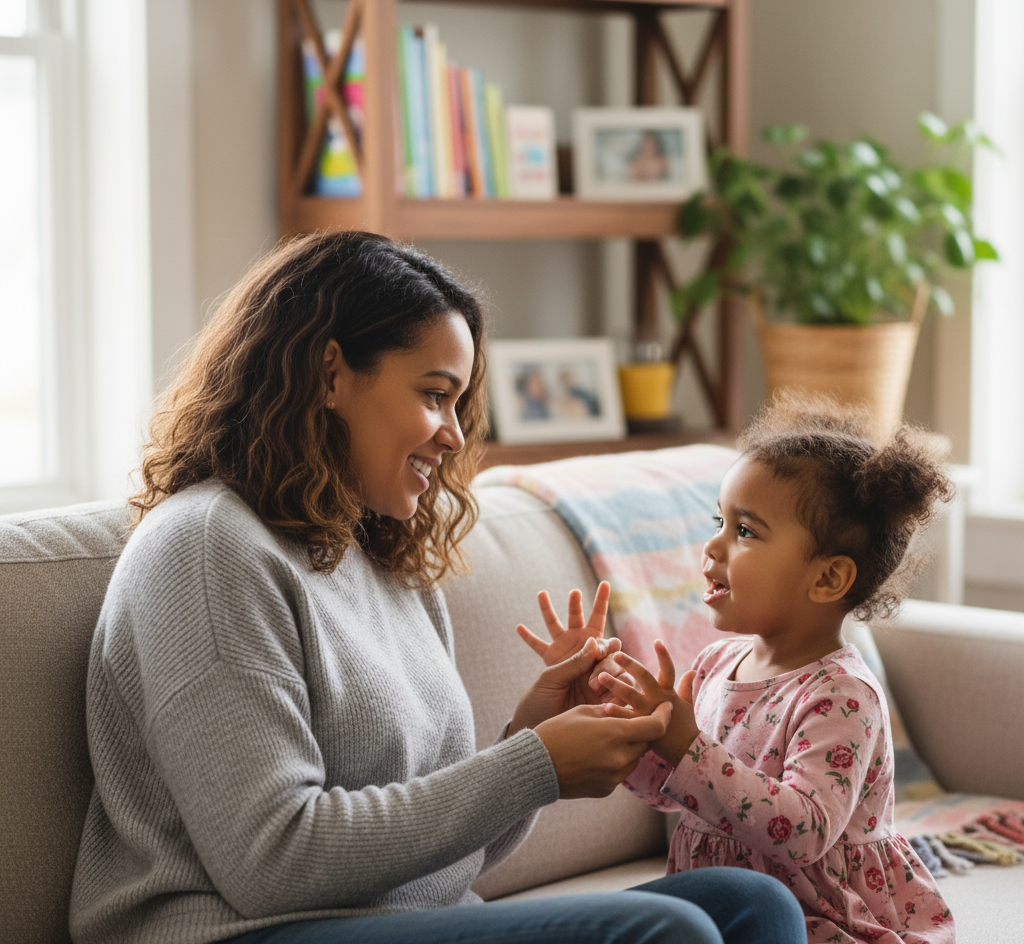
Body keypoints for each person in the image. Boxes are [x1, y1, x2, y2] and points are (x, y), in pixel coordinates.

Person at [69, 231, 807, 944]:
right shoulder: (206, 549)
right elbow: (274, 863)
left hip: (398, 922)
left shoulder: (380, 558)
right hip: (245, 932)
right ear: (329, 376)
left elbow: (433, 859)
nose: (454, 435)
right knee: (665, 930)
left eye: (458, 403)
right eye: (434, 394)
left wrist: (527, 740)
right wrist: (530, 767)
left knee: (752, 903)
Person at [524, 395, 956, 944]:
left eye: (745, 532)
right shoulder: (715, 665)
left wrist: (687, 745)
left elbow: (802, 831)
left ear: (827, 580)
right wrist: (608, 707)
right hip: (722, 911)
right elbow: (672, 788)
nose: (713, 545)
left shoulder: (843, 695)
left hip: (820, 919)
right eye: (719, 522)